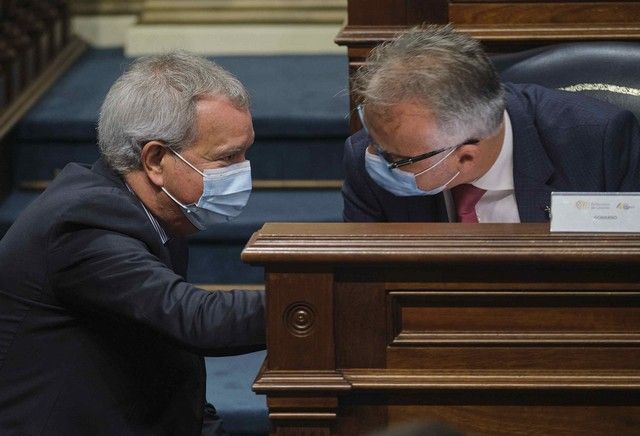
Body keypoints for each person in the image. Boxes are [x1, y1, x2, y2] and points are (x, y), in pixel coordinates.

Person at [0, 52, 265, 435]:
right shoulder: (84, 224)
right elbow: (195, 319)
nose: (244, 170)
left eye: (245, 152)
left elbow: (165, 361)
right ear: (155, 160)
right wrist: (311, 300)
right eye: (228, 157)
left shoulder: (159, 218)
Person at [342, 24, 640, 223]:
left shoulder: (600, 143)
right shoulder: (363, 158)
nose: (374, 157)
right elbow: (370, 287)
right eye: (373, 137)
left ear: (466, 156)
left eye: (394, 159)